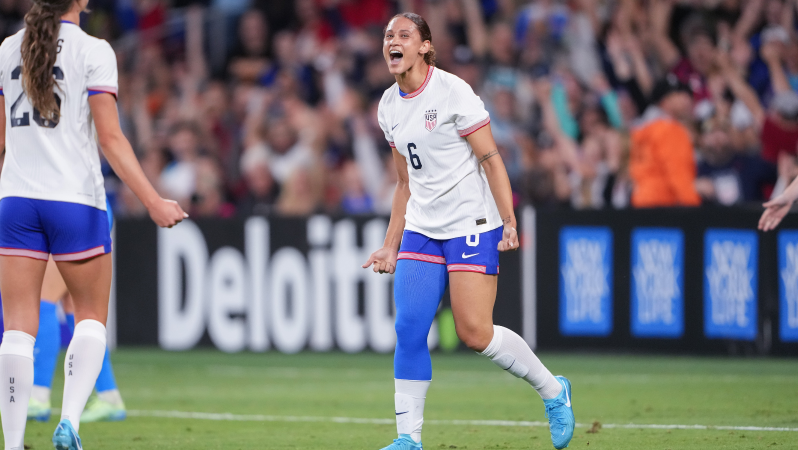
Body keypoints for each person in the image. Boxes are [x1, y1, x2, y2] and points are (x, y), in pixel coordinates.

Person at [362, 13, 574, 450]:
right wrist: (389, 244)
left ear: (424, 46)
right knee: (410, 327)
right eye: (388, 36)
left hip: (470, 223)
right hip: (422, 226)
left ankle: (553, 390)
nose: (392, 42)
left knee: (474, 332)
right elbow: (405, 182)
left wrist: (509, 220)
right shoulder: (387, 106)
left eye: (403, 35)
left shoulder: (454, 91)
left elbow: (492, 159)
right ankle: (408, 439)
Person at [0, 0, 186, 449]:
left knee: (16, 328)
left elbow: (2, 140)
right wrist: (153, 200)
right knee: (89, 319)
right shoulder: (94, 50)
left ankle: (13, 441)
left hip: (16, 202)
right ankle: (70, 423)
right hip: (74, 202)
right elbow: (111, 138)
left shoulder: (7, 48)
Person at [27, 200, 126, 423]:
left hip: (74, 208)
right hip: (80, 208)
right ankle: (109, 395)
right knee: (75, 306)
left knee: (44, 297)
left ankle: (38, 396)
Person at [629, 75, 702, 208]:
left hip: (640, 202)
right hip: (663, 206)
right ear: (665, 101)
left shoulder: (642, 130)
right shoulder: (670, 130)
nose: (686, 99)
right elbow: (679, 175)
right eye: (679, 94)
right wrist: (694, 209)